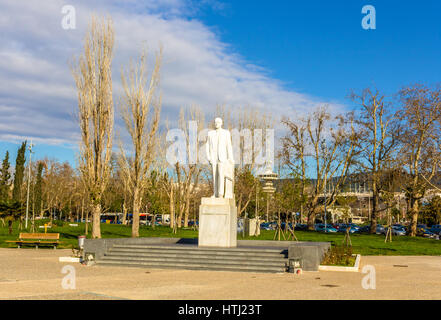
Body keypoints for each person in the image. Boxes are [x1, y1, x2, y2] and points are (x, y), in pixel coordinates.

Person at [206, 117, 234, 198]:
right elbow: (207, 145)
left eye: (218, 122)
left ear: (221, 123)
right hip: (213, 158)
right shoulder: (210, 133)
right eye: (215, 122)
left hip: (222, 157)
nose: (216, 123)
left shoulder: (226, 133)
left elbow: (229, 146)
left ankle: (221, 193)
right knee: (215, 176)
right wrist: (208, 157)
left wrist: (230, 158)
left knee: (221, 175)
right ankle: (215, 193)